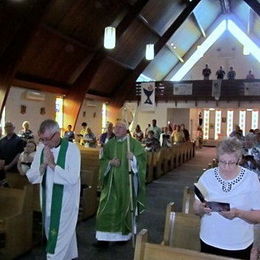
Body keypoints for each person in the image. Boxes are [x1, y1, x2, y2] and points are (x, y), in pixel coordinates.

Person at [193, 137, 260, 259]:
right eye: (222, 162)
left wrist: (238, 213)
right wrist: (202, 209)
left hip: (239, 245)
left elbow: (258, 215)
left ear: (239, 160)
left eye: (231, 163)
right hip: (209, 240)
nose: (226, 167)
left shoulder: (251, 179)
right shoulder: (207, 176)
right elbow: (196, 208)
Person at [26, 119, 81, 259]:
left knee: (56, 241)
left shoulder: (72, 149)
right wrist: (42, 166)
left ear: (57, 135)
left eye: (47, 139)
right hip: (46, 200)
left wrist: (52, 165)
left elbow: (72, 178)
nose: (44, 143)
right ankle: (69, 256)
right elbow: (31, 176)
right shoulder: (41, 149)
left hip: (65, 203)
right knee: (56, 235)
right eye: (42, 139)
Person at [94, 120, 146, 247]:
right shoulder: (109, 144)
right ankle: (103, 238)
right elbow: (103, 161)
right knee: (105, 208)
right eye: (116, 127)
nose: (116, 129)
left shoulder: (134, 144)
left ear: (126, 129)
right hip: (110, 184)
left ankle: (122, 236)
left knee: (124, 208)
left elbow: (142, 161)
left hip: (125, 184)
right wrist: (110, 163)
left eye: (120, 127)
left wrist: (133, 158)